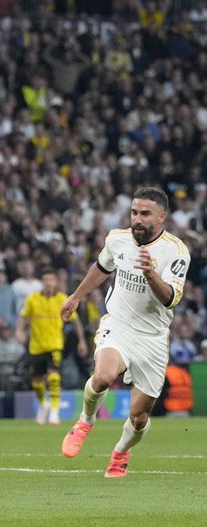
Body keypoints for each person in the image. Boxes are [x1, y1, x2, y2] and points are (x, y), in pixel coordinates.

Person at [60, 187, 190, 478]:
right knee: (104, 376)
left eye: (145, 214)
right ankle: (85, 420)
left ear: (161, 217)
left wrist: (151, 274)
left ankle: (120, 452)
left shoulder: (176, 251)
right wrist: (76, 296)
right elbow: (101, 267)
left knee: (139, 416)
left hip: (152, 338)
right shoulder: (117, 239)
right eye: (134, 212)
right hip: (117, 324)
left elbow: (171, 298)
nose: (137, 219)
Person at [16, 268, 88, 425]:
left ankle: (54, 412)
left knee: (54, 377)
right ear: (42, 282)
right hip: (36, 346)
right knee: (36, 381)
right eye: (46, 279)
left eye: (51, 279)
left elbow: (75, 321)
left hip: (55, 345)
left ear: (56, 282)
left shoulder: (62, 299)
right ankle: (44, 405)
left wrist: (81, 340)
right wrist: (19, 331)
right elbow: (24, 317)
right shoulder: (32, 299)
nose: (49, 283)